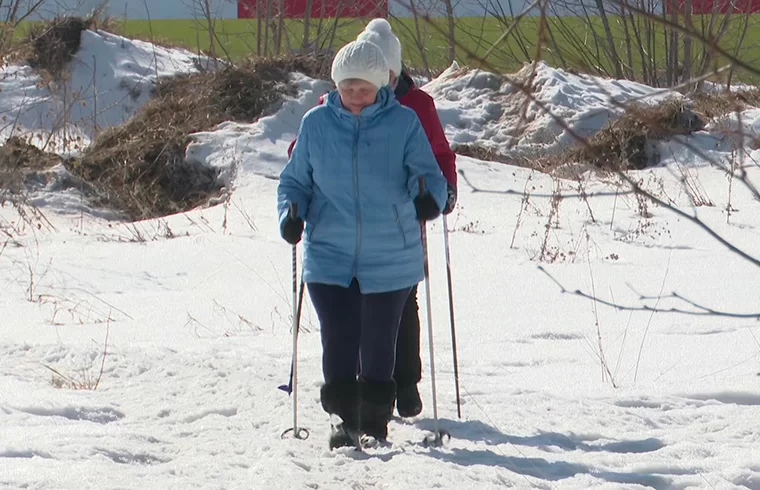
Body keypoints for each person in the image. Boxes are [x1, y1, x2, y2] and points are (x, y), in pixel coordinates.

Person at [277, 39, 448, 449]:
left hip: (389, 250)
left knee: (377, 339)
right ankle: (342, 418)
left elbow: (428, 173)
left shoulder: (403, 123)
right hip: (329, 250)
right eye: (348, 86)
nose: (355, 95)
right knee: (337, 334)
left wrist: (428, 196)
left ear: (381, 87)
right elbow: (295, 180)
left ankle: (373, 419)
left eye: (364, 88)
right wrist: (291, 212)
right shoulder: (315, 124)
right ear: (337, 84)